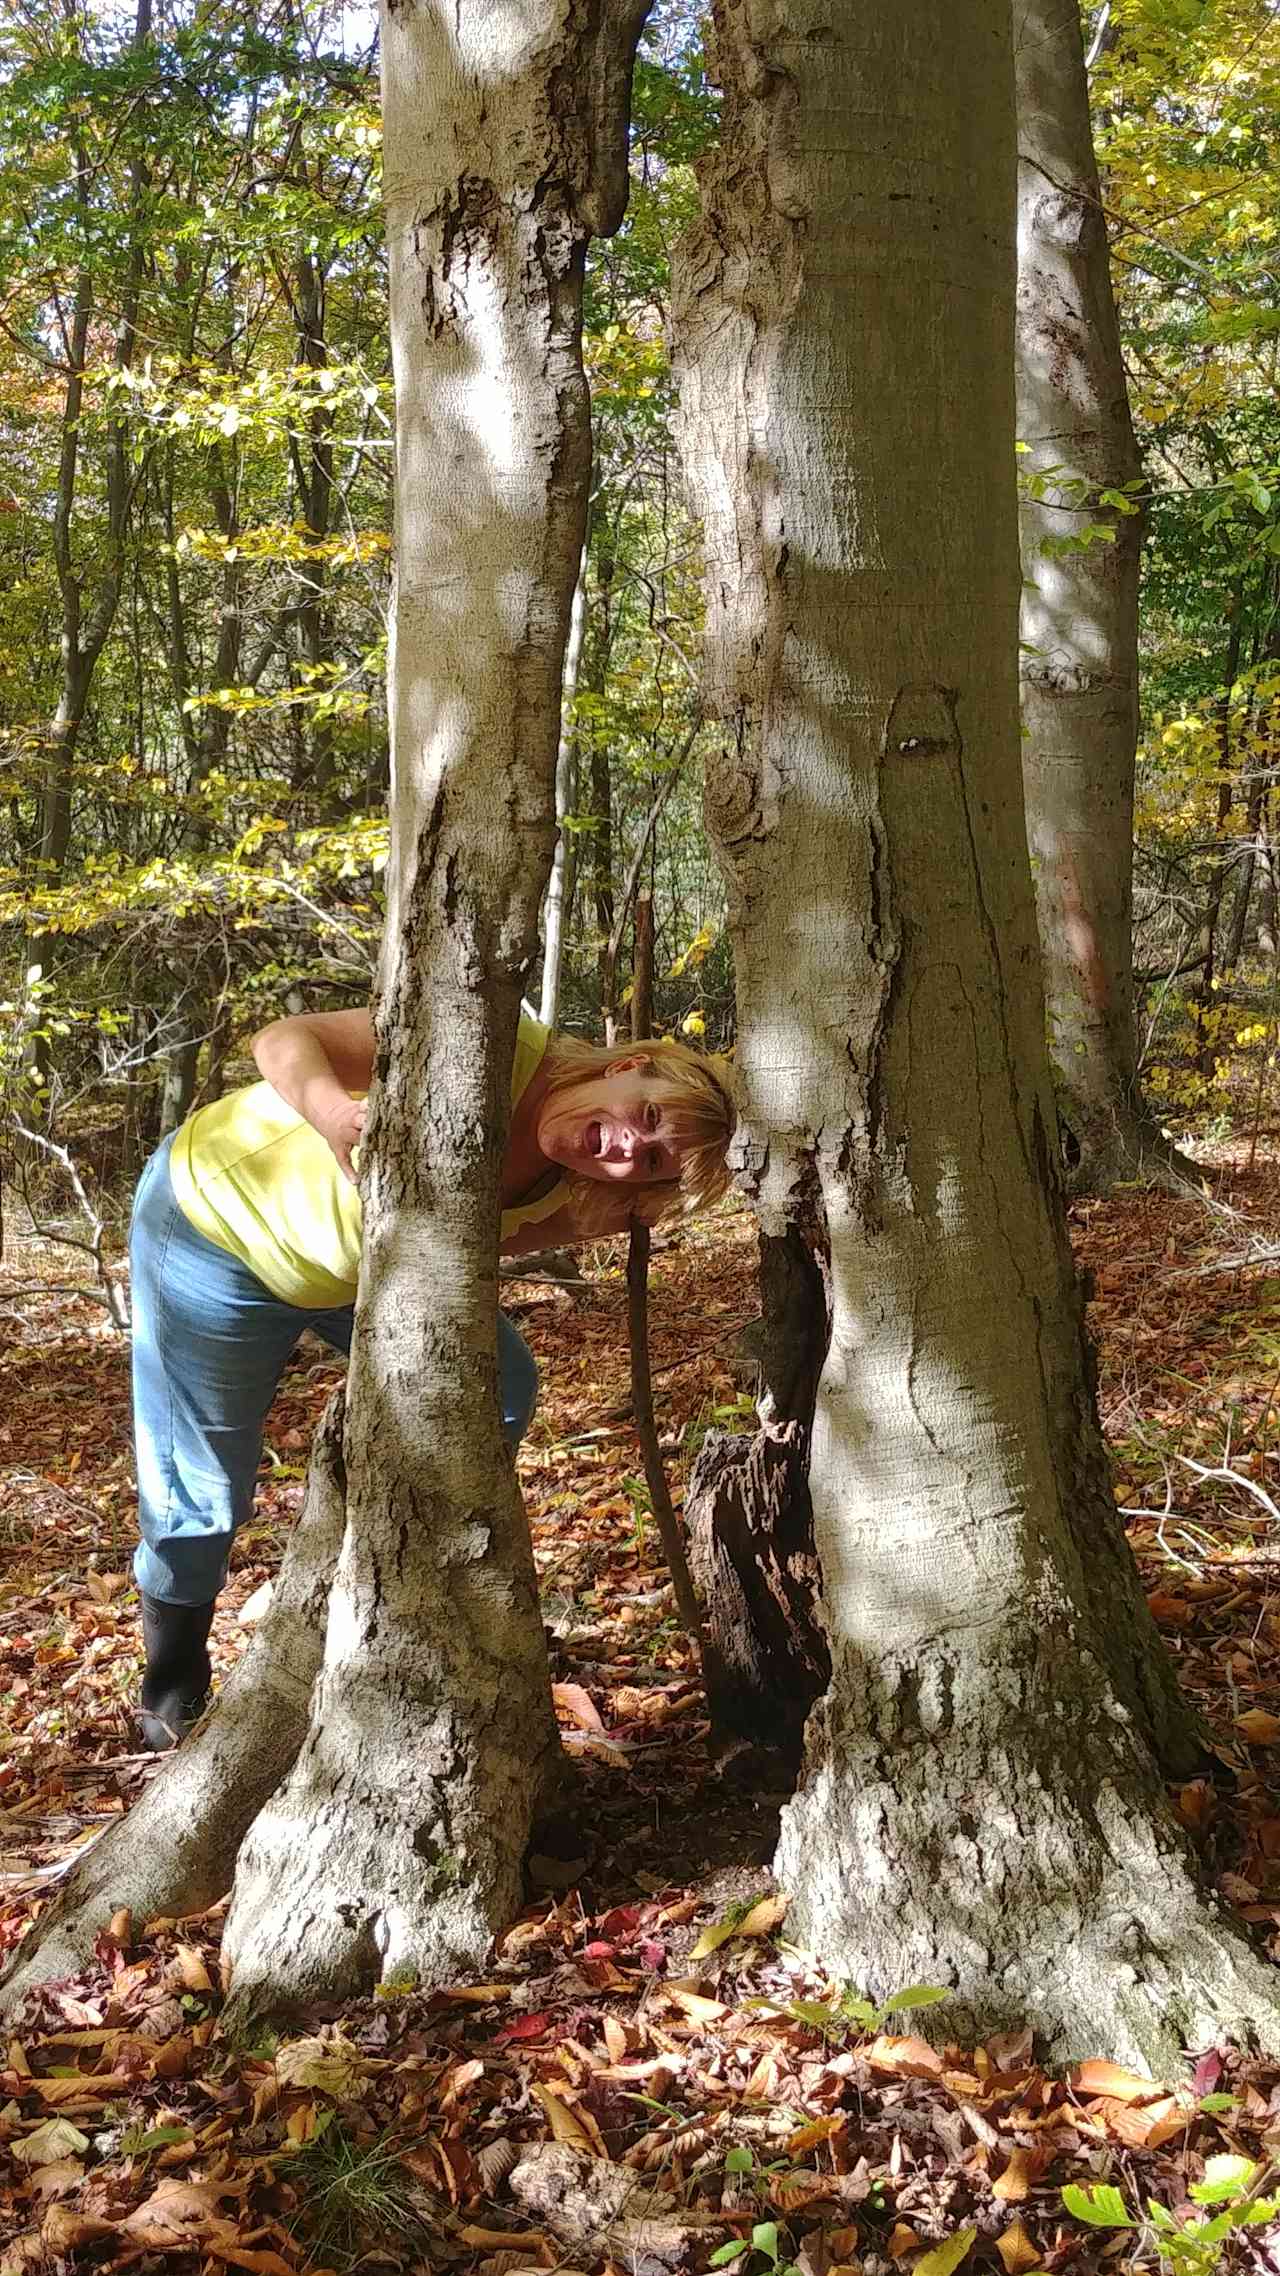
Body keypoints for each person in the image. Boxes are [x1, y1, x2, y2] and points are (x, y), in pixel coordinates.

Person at [128, 1003, 735, 1749]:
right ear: (619, 1067)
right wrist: (330, 1112)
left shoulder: (585, 1191)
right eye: (642, 1114)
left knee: (499, 1388)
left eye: (648, 1160)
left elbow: (477, 1256)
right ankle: (172, 1666)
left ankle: (393, 1573)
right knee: (205, 1492)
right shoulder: (494, 1039)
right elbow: (284, 1039)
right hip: (216, 1232)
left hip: (361, 1276)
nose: (623, 1147)